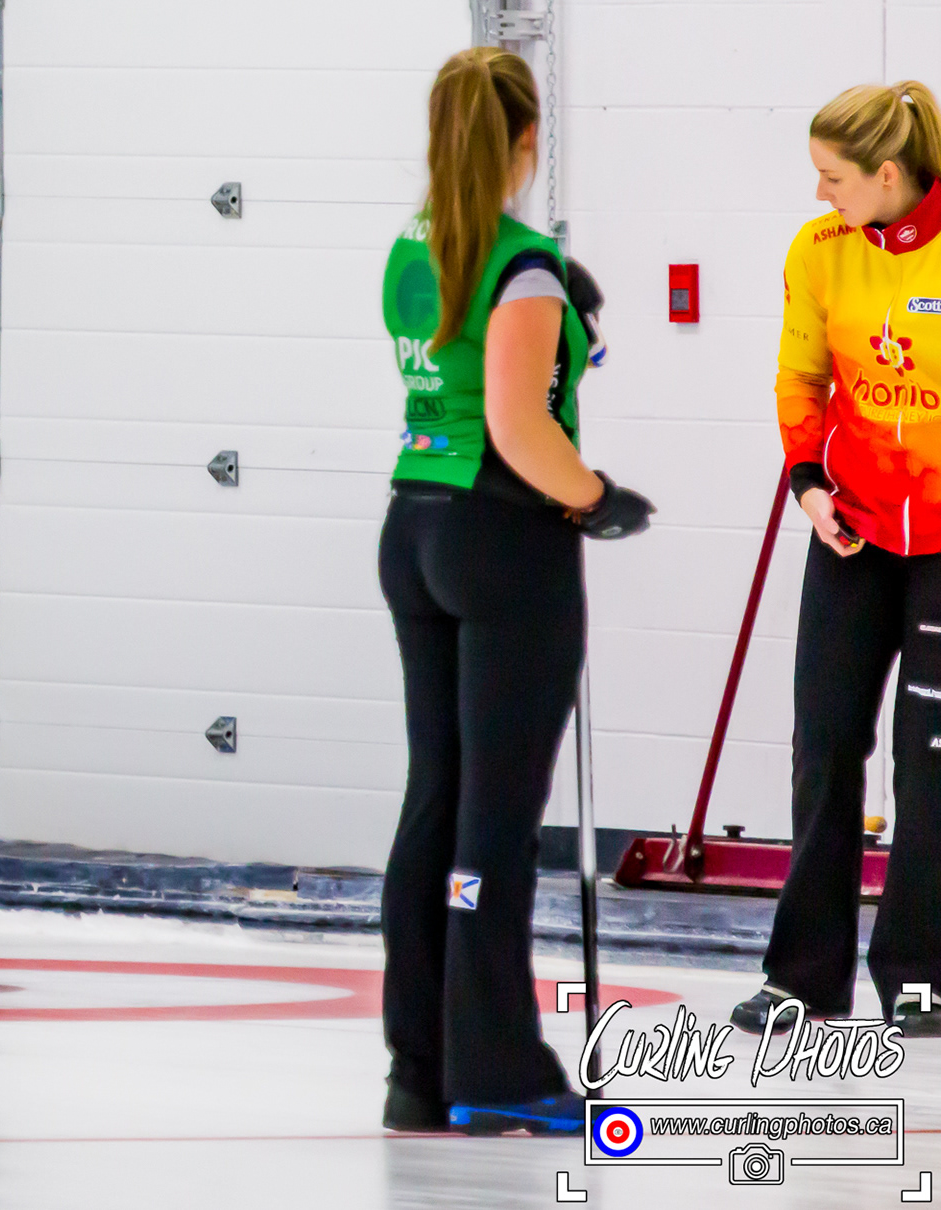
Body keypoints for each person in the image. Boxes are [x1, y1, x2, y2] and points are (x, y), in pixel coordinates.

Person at [376, 48, 653, 1136]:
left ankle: (421, 1064)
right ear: (528, 140)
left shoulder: (414, 245)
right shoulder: (522, 266)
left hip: (416, 522)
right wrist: (599, 497)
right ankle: (494, 1066)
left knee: (437, 796)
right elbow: (517, 424)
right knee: (495, 812)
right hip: (501, 537)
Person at [733, 81, 941, 1038]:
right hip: (852, 527)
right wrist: (809, 485)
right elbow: (800, 377)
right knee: (823, 743)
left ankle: (920, 974)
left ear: (887, 174)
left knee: (928, 759)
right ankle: (803, 976)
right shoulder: (819, 250)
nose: (820, 193)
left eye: (834, 177)